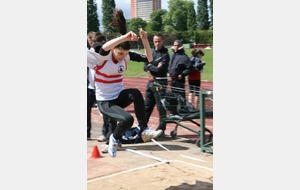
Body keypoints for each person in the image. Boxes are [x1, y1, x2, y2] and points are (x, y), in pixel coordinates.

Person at [87, 8, 162, 157]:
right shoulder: (104, 57)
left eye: (125, 54)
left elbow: (149, 58)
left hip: (119, 97)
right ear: (114, 49)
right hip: (105, 102)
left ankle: (144, 129)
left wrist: (145, 39)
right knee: (127, 119)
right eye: (120, 53)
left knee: (135, 93)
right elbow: (104, 47)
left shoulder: (126, 57)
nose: (122, 57)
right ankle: (113, 139)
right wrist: (124, 38)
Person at [144, 33, 169, 136]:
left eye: (159, 41)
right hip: (151, 82)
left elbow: (160, 70)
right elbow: (145, 67)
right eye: (155, 41)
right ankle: (143, 127)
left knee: (161, 107)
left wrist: (151, 66)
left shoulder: (165, 54)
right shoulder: (151, 53)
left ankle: (162, 129)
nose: (157, 43)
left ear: (162, 41)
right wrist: (153, 66)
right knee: (147, 106)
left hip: (160, 82)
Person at [87, 31, 96, 140]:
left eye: (92, 41)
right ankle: (87, 132)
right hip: (90, 87)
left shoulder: (100, 53)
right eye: (90, 41)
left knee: (105, 113)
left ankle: (106, 133)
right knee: (86, 110)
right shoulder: (88, 52)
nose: (91, 43)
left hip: (100, 87)